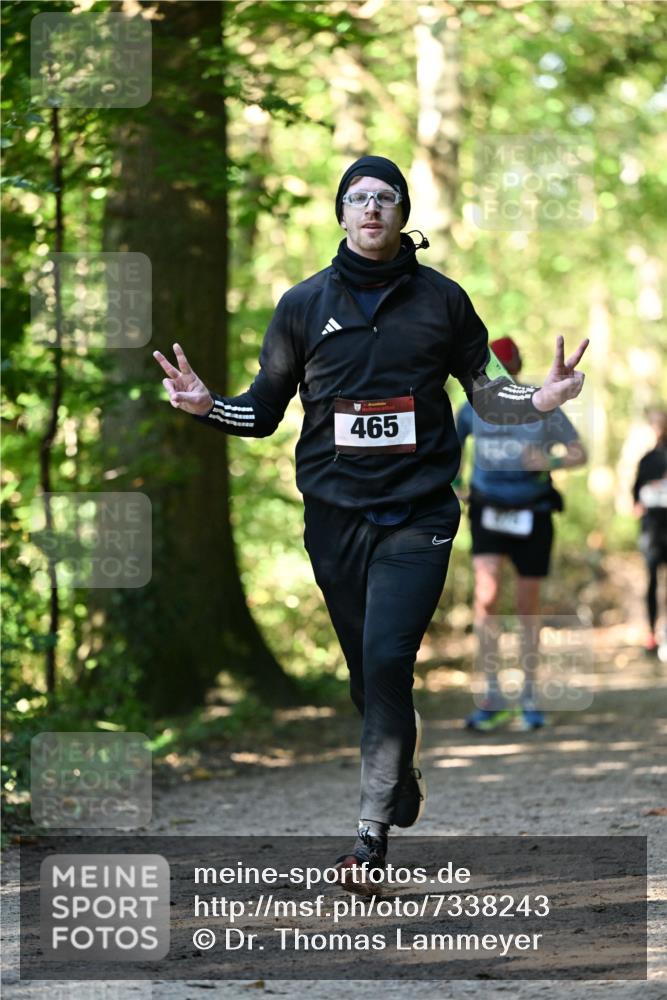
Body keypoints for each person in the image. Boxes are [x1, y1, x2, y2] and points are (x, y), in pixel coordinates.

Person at [153, 155, 588, 889]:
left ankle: (368, 838)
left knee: (388, 659)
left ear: (400, 213)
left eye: (385, 198)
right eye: (358, 198)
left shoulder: (442, 301)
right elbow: (260, 412)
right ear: (341, 214)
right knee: (367, 676)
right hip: (333, 518)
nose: (371, 209)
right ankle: (399, 777)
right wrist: (207, 407)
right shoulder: (301, 305)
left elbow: (485, 394)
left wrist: (538, 404)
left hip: (419, 514)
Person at [455, 336, 587, 733]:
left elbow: (579, 453)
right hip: (488, 509)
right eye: (497, 370)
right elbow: (448, 445)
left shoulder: (540, 401)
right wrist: (455, 484)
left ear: (518, 368)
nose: (504, 376)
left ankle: (528, 696)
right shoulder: (472, 406)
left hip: (533, 511)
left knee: (528, 606)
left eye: (510, 369)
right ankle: (491, 696)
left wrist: (548, 459)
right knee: (488, 597)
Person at [632, 408, 667, 656]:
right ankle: (651, 635)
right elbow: (635, 497)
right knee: (652, 581)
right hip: (652, 530)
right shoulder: (646, 460)